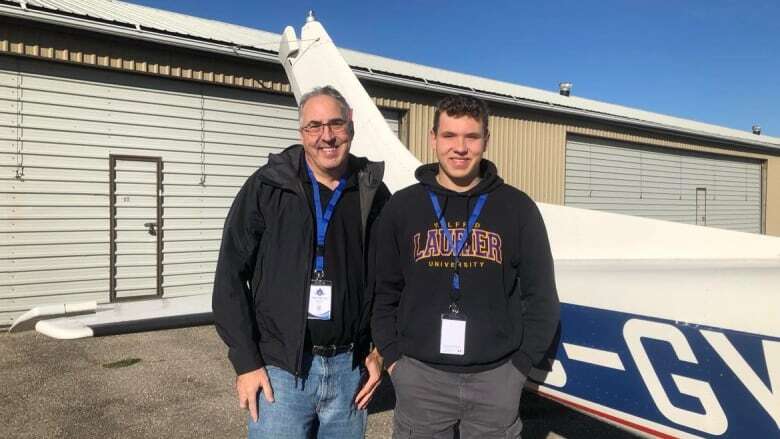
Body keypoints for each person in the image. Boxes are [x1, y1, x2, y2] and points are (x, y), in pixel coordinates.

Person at [371, 94, 560, 438]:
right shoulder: (403, 208)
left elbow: (542, 297)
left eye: (471, 137)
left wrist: (519, 367)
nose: (460, 147)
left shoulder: (517, 209)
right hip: (421, 376)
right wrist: (394, 358)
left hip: (495, 379)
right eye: (449, 136)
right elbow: (383, 289)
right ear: (433, 139)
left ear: (486, 141)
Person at [213, 85, 390, 438]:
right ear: (301, 132)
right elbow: (230, 276)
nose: (327, 136)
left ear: (351, 126)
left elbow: (390, 281)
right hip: (281, 372)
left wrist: (380, 351)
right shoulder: (268, 187)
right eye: (315, 126)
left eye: (336, 124)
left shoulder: (372, 192)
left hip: (349, 372)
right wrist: (246, 362)